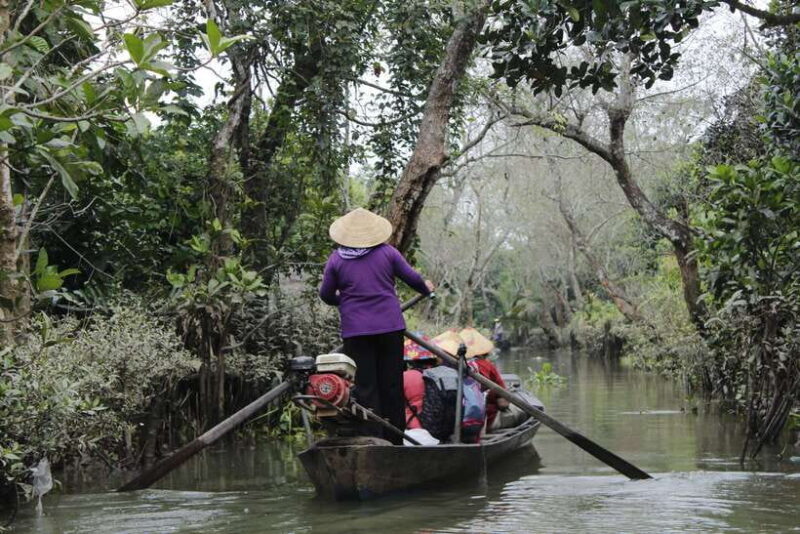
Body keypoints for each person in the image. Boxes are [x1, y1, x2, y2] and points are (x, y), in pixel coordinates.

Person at [319, 208, 434, 444]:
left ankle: (373, 439)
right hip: (390, 327)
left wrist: (348, 300)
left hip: (356, 331)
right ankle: (395, 439)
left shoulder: (337, 259)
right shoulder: (388, 253)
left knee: (366, 386)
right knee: (392, 383)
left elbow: (326, 295)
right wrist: (426, 289)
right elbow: (413, 278)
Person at [458, 327, 510, 429]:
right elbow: (502, 402)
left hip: (454, 417)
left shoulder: (452, 365)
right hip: (485, 419)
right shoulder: (488, 366)